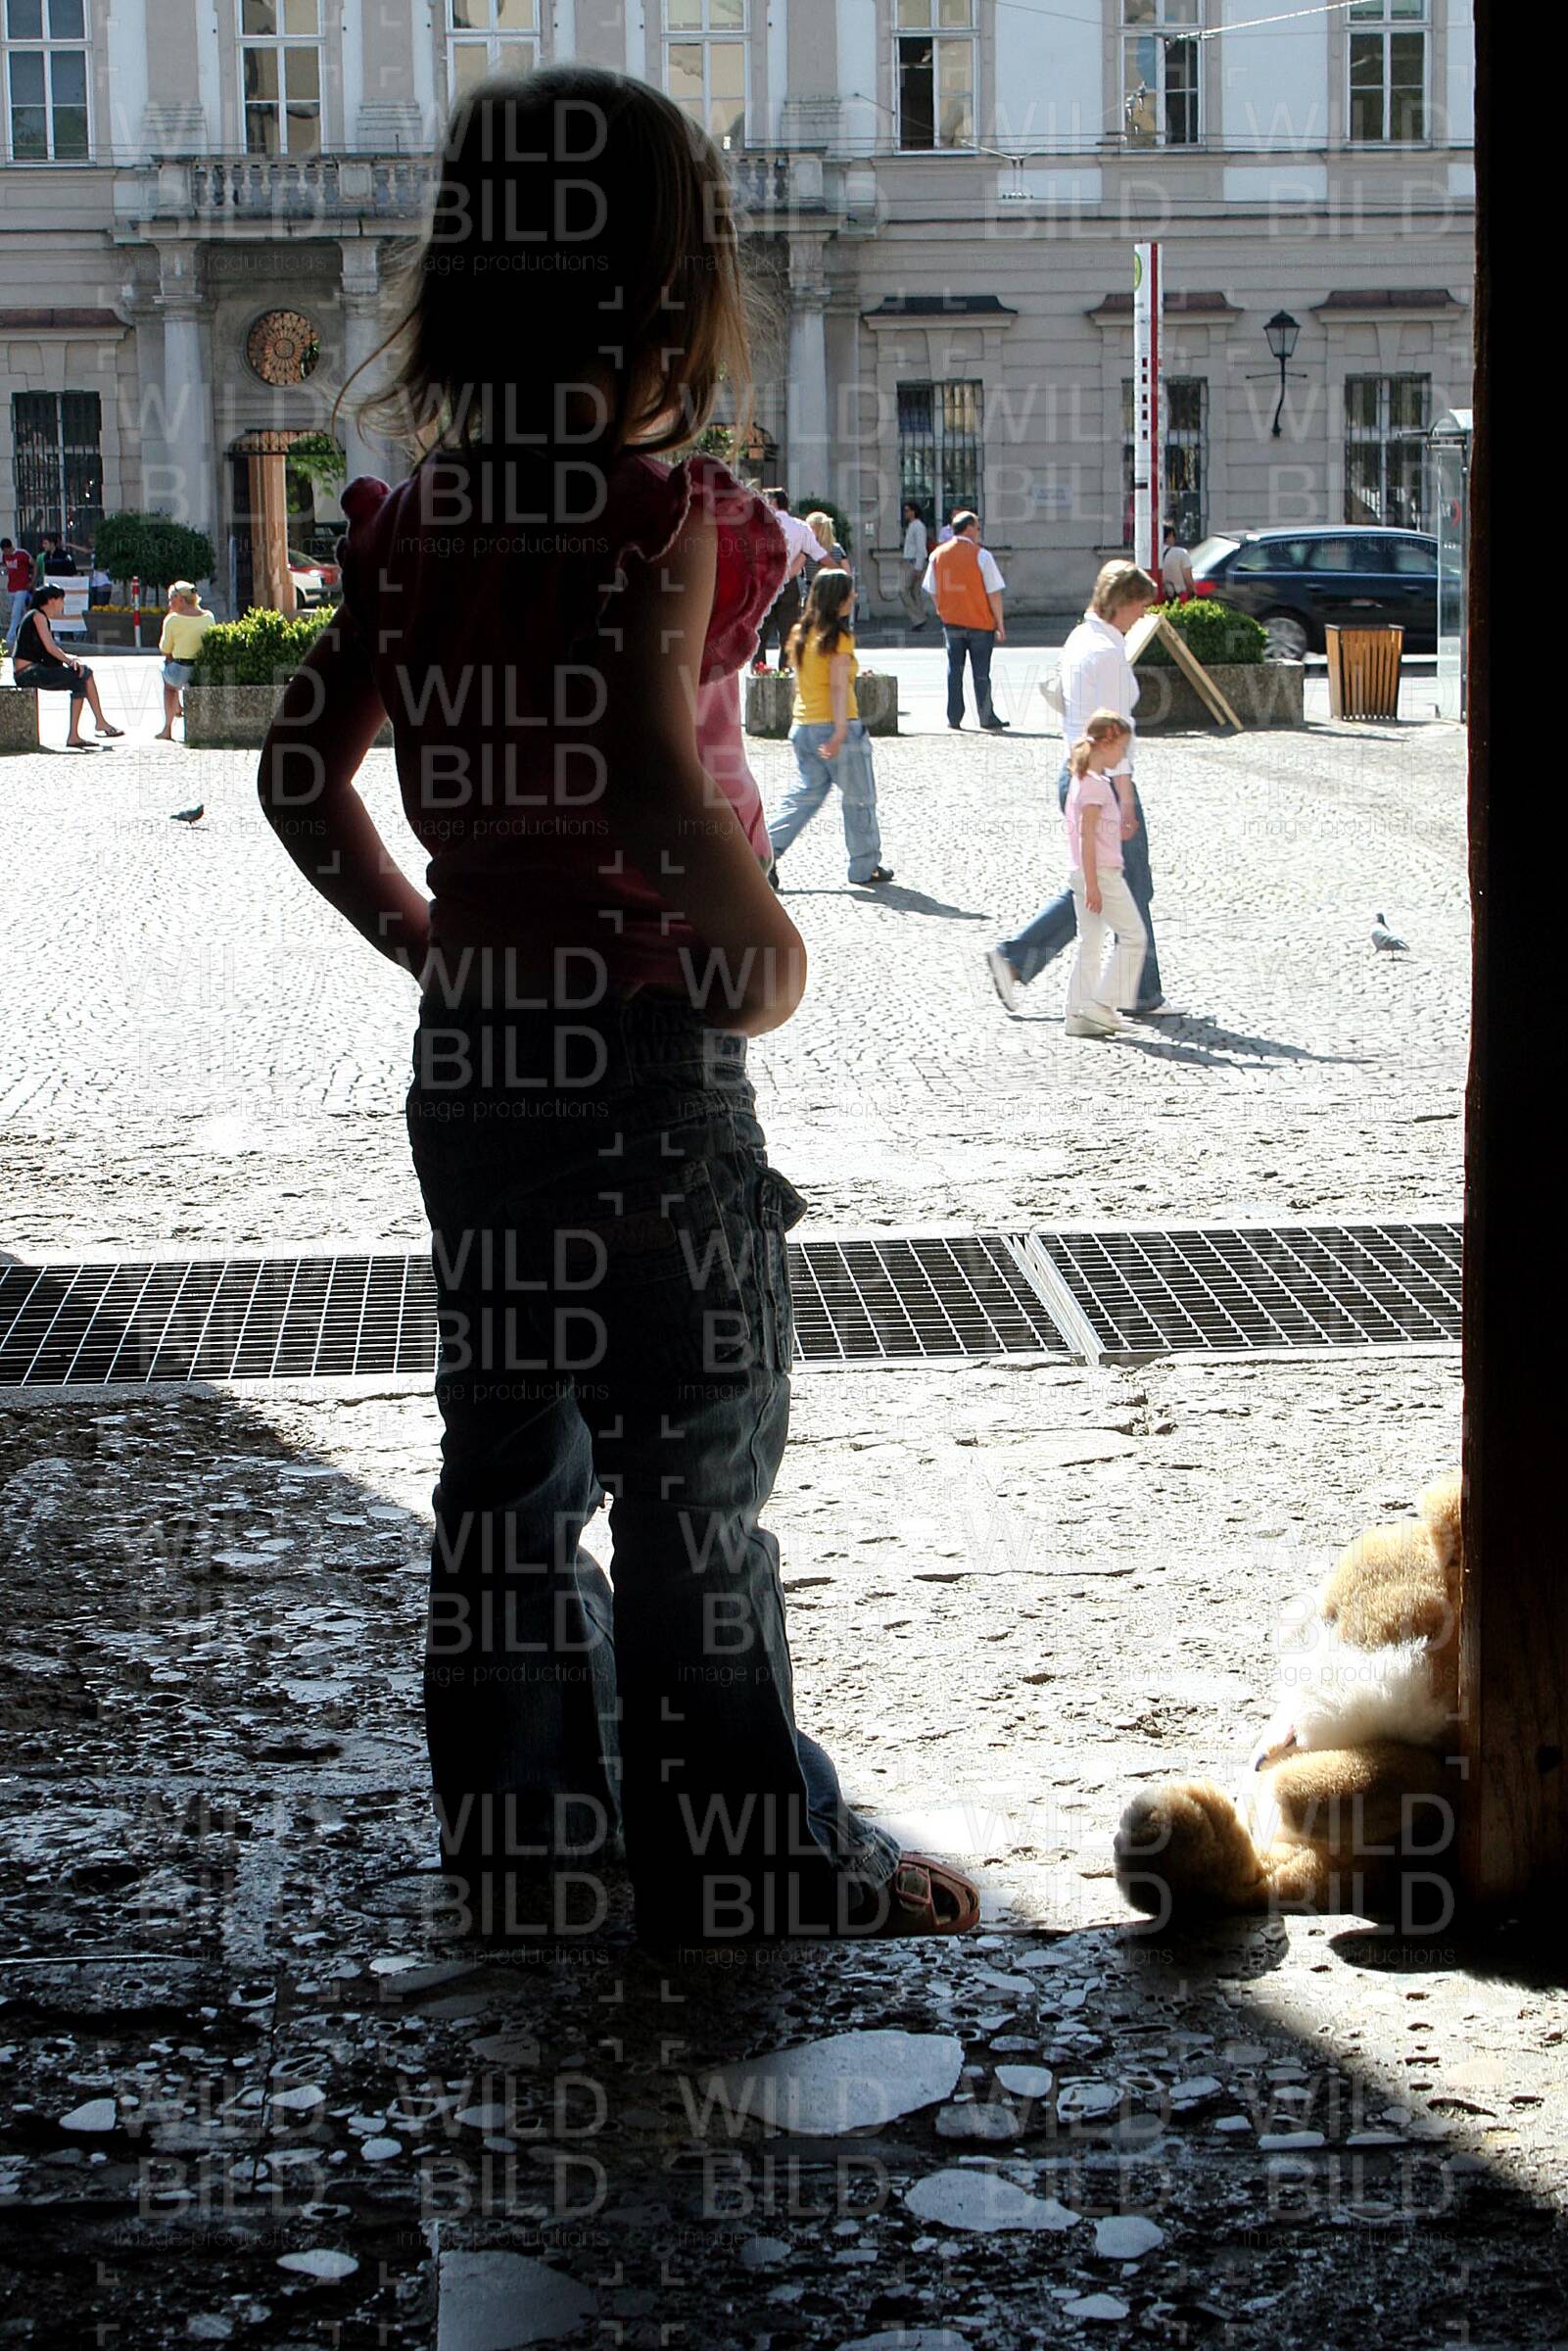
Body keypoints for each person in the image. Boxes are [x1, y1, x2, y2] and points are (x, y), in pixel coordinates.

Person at [257, 66, 977, 1948]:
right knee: (694, 1472)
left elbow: (298, 777)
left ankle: (521, 1836)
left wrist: (424, 939)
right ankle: (742, 1846)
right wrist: (762, 946)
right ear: (674, 295)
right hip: (651, 1054)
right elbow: (656, 777)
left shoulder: (410, 527)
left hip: (476, 1055)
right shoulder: (664, 518)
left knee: (506, 1465)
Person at [986, 559, 1181, 1018]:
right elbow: (1115, 732)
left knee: (1114, 885)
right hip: (1106, 779)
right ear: (1122, 603)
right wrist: (1125, 797)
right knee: (1122, 886)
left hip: (1077, 771)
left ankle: (1132, 988)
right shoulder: (1108, 652)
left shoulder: (1081, 637)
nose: (1142, 615)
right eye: (1140, 606)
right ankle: (1130, 990)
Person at [768, 568, 894, 890]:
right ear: (838, 599)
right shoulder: (839, 637)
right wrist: (839, 732)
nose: (854, 597)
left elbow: (801, 681)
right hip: (838, 728)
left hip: (804, 726)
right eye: (850, 593)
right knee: (860, 799)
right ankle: (864, 866)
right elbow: (838, 687)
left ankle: (763, 854)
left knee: (803, 798)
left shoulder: (801, 632)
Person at [1061, 710, 1146, 1038]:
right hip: (1101, 874)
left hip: (1083, 872)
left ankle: (1077, 1014)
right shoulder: (1096, 785)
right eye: (1121, 747)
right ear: (1107, 742)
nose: (1122, 755)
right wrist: (1094, 884)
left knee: (1091, 943)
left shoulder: (1082, 779)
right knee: (1134, 936)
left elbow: (1091, 834)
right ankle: (1102, 1004)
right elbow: (1087, 837)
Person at [924, 509, 1008, 731]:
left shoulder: (937, 555)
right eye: (978, 528)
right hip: (980, 623)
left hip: (951, 622)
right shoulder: (982, 555)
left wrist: (941, 609)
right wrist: (999, 623)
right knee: (981, 673)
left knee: (955, 670)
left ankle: (954, 716)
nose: (979, 532)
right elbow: (994, 593)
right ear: (969, 529)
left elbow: (931, 589)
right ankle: (986, 717)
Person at [11, 585, 122, 745]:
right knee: (82, 675)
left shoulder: (37, 616)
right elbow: (50, 647)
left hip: (30, 671)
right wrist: (69, 662)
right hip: (28, 673)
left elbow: (50, 648)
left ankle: (85, 729)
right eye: (62, 600)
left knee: (82, 677)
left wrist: (71, 659)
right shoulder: (37, 616)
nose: (63, 605)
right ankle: (90, 727)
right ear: (52, 600)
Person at [753, 490, 821, 671]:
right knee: (788, 632)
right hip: (789, 582)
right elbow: (810, 552)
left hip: (764, 583)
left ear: (773, 502)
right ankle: (786, 671)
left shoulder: (759, 525)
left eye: (765, 500)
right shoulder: (800, 526)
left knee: (760, 632)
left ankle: (760, 671)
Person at [155, 580, 214, 741]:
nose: (169, 603)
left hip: (180, 670)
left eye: (171, 599)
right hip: (202, 670)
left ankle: (167, 728)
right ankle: (178, 707)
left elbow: (165, 649)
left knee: (167, 680)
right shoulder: (208, 617)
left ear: (180, 599)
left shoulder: (172, 620)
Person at [898, 501, 929, 629]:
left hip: (913, 562)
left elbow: (921, 547)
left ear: (914, 511)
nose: (905, 513)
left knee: (903, 590)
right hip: (911, 561)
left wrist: (918, 567)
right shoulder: (911, 526)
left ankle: (918, 618)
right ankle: (920, 617)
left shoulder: (918, 526)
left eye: (907, 510)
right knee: (914, 592)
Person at [3, 537, 33, 654]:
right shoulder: (5, 557)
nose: (5, 553)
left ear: (9, 547)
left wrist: (32, 581)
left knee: (15, 614)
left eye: (6, 550)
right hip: (11, 588)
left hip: (22, 588)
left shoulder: (22, 554)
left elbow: (34, 564)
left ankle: (9, 640)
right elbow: (7, 569)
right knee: (21, 614)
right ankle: (25, 636)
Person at [1161, 532, 1195, 601]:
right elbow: (1188, 578)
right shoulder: (1181, 553)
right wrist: (1192, 592)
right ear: (1170, 535)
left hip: (1162, 596)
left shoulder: (1153, 552)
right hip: (1179, 596)